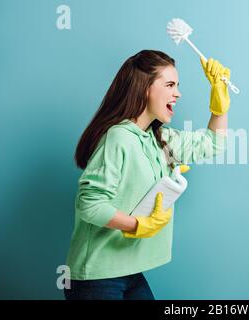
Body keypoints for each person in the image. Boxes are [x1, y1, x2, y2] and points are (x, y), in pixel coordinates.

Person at [64, 50, 231, 300]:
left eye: (178, 85)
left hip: (129, 271)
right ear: (145, 88)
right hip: (96, 277)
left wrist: (219, 107)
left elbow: (213, 144)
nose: (178, 93)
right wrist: (137, 225)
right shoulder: (118, 137)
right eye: (170, 84)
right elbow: (89, 204)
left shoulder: (158, 138)